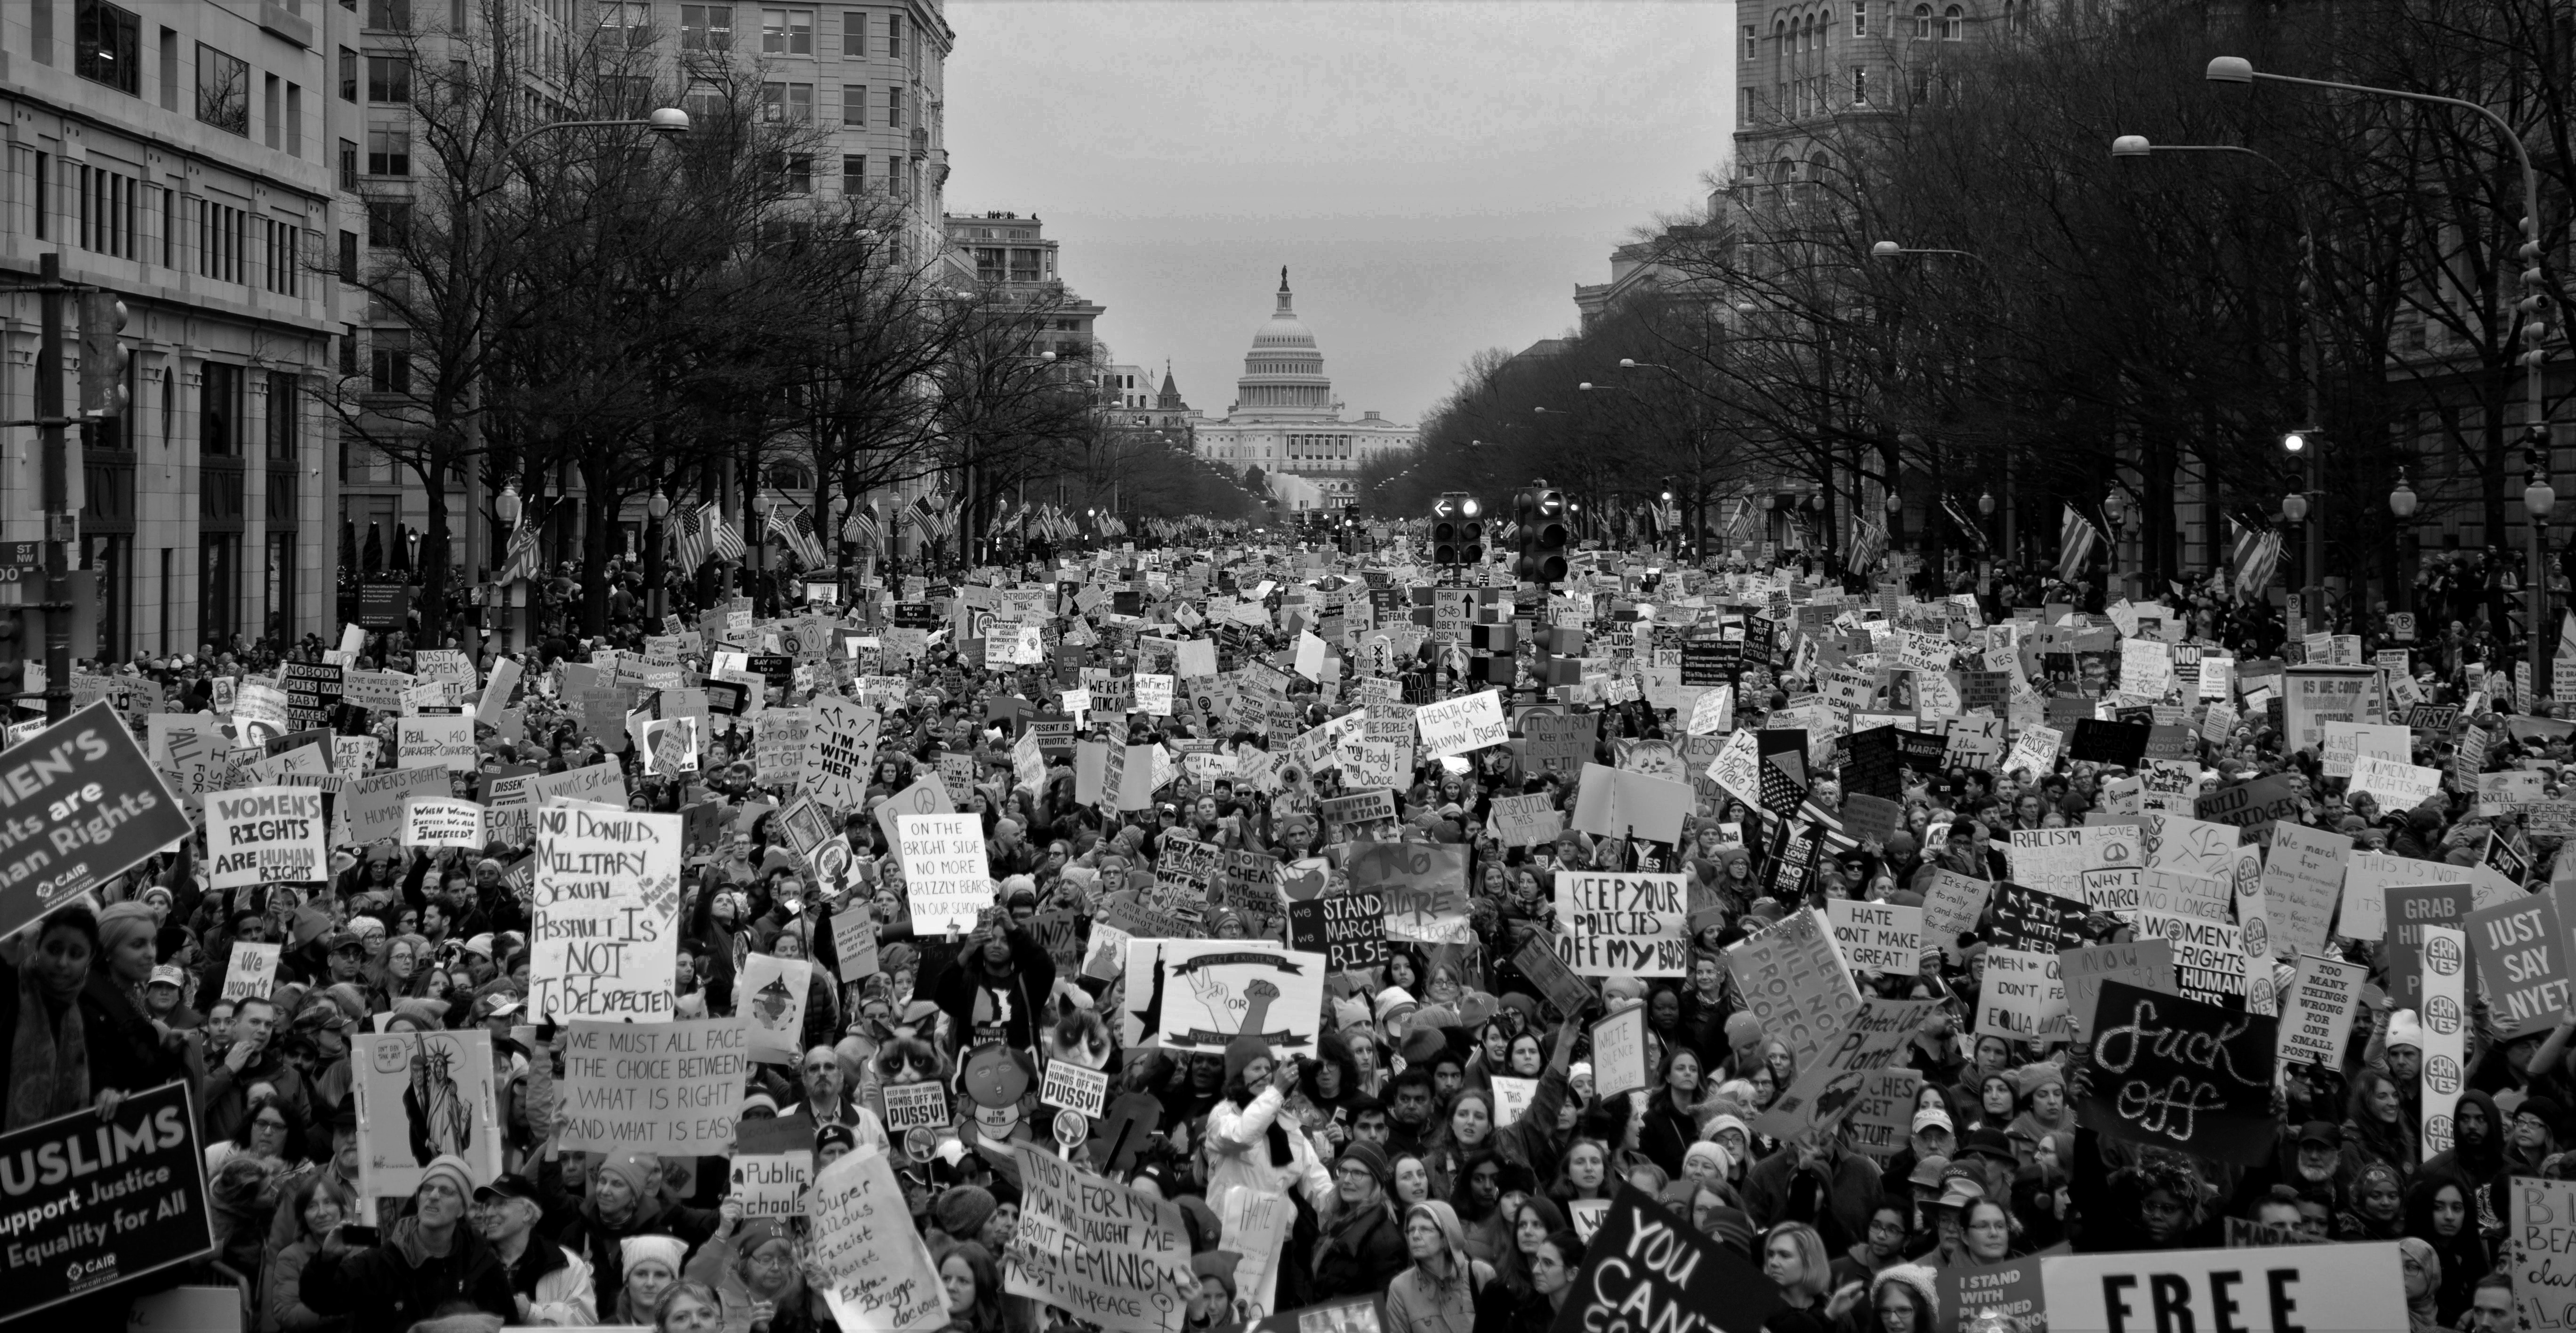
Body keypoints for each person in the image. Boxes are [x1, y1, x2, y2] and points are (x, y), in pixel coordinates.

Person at [298, 1154, 519, 1333]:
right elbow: (320, 1301)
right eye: (427, 1188)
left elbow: (507, 1326)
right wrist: (326, 1261)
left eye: (446, 1191)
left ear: (462, 1208)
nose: (433, 1196)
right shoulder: (383, 1262)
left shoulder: (481, 1262)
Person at [470, 1173, 597, 1326]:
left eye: (501, 1204)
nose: (488, 1213)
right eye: (487, 1205)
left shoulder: (566, 1264)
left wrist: (533, 1313)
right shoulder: (469, 1259)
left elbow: (586, 1326)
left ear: (528, 1213)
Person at [1312, 1141, 1409, 1300]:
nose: (1347, 1180)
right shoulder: (1337, 1220)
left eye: (1358, 1173)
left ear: (1376, 1181)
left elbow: (1387, 1302)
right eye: (1343, 1171)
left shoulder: (1384, 1239)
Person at [1384, 1201, 1490, 1333]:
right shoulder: (1400, 1288)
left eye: (1425, 1229)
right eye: (1411, 1230)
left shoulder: (1480, 1274)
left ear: (1446, 1238)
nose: (1415, 1236)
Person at [1469, 1229, 1579, 1333]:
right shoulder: (1522, 1320)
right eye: (1537, 1261)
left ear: (1572, 1274)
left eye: (1548, 1263)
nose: (1536, 1270)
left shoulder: (1592, 1313)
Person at [1760, 1222, 1863, 1333]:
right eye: (1771, 1255)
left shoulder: (1835, 1309)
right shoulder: (1757, 1307)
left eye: (1785, 1255)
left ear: (1810, 1262)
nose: (1773, 1263)